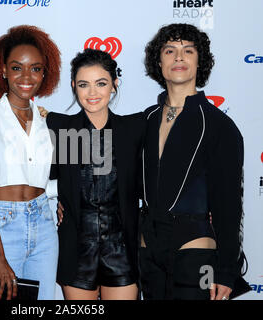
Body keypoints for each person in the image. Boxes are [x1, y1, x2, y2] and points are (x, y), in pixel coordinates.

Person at [139, 23, 244, 300]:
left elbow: (229, 204)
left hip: (196, 246)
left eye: (188, 50)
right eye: (170, 50)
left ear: (200, 61)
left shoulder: (220, 126)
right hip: (148, 247)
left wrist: (226, 271)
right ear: (159, 62)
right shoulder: (145, 121)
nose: (179, 57)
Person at [0, 25, 61, 300]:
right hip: (3, 226)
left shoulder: (49, 121)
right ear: (3, 70)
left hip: (44, 224)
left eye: (35, 68)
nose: (26, 76)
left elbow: (48, 177)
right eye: (17, 67)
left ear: (45, 73)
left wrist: (57, 198)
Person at [47, 49, 145, 300]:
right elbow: (44, 179)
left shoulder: (134, 128)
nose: (92, 93)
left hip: (122, 249)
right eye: (84, 84)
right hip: (77, 250)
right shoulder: (61, 129)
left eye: (101, 83)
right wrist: (58, 204)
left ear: (114, 84)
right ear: (73, 86)